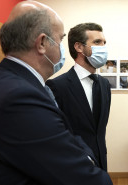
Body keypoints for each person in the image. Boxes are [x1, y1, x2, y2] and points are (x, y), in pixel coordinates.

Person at [0, 1, 112, 185]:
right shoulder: (20, 98)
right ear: (42, 43)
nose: (61, 47)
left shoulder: (14, 82)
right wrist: (87, 158)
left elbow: (65, 136)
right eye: (59, 39)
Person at [46, 23, 111, 171]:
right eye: (97, 42)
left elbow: (99, 130)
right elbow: (57, 133)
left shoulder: (104, 84)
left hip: (101, 162)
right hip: (72, 165)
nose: (103, 47)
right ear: (79, 47)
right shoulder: (56, 86)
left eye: (104, 43)